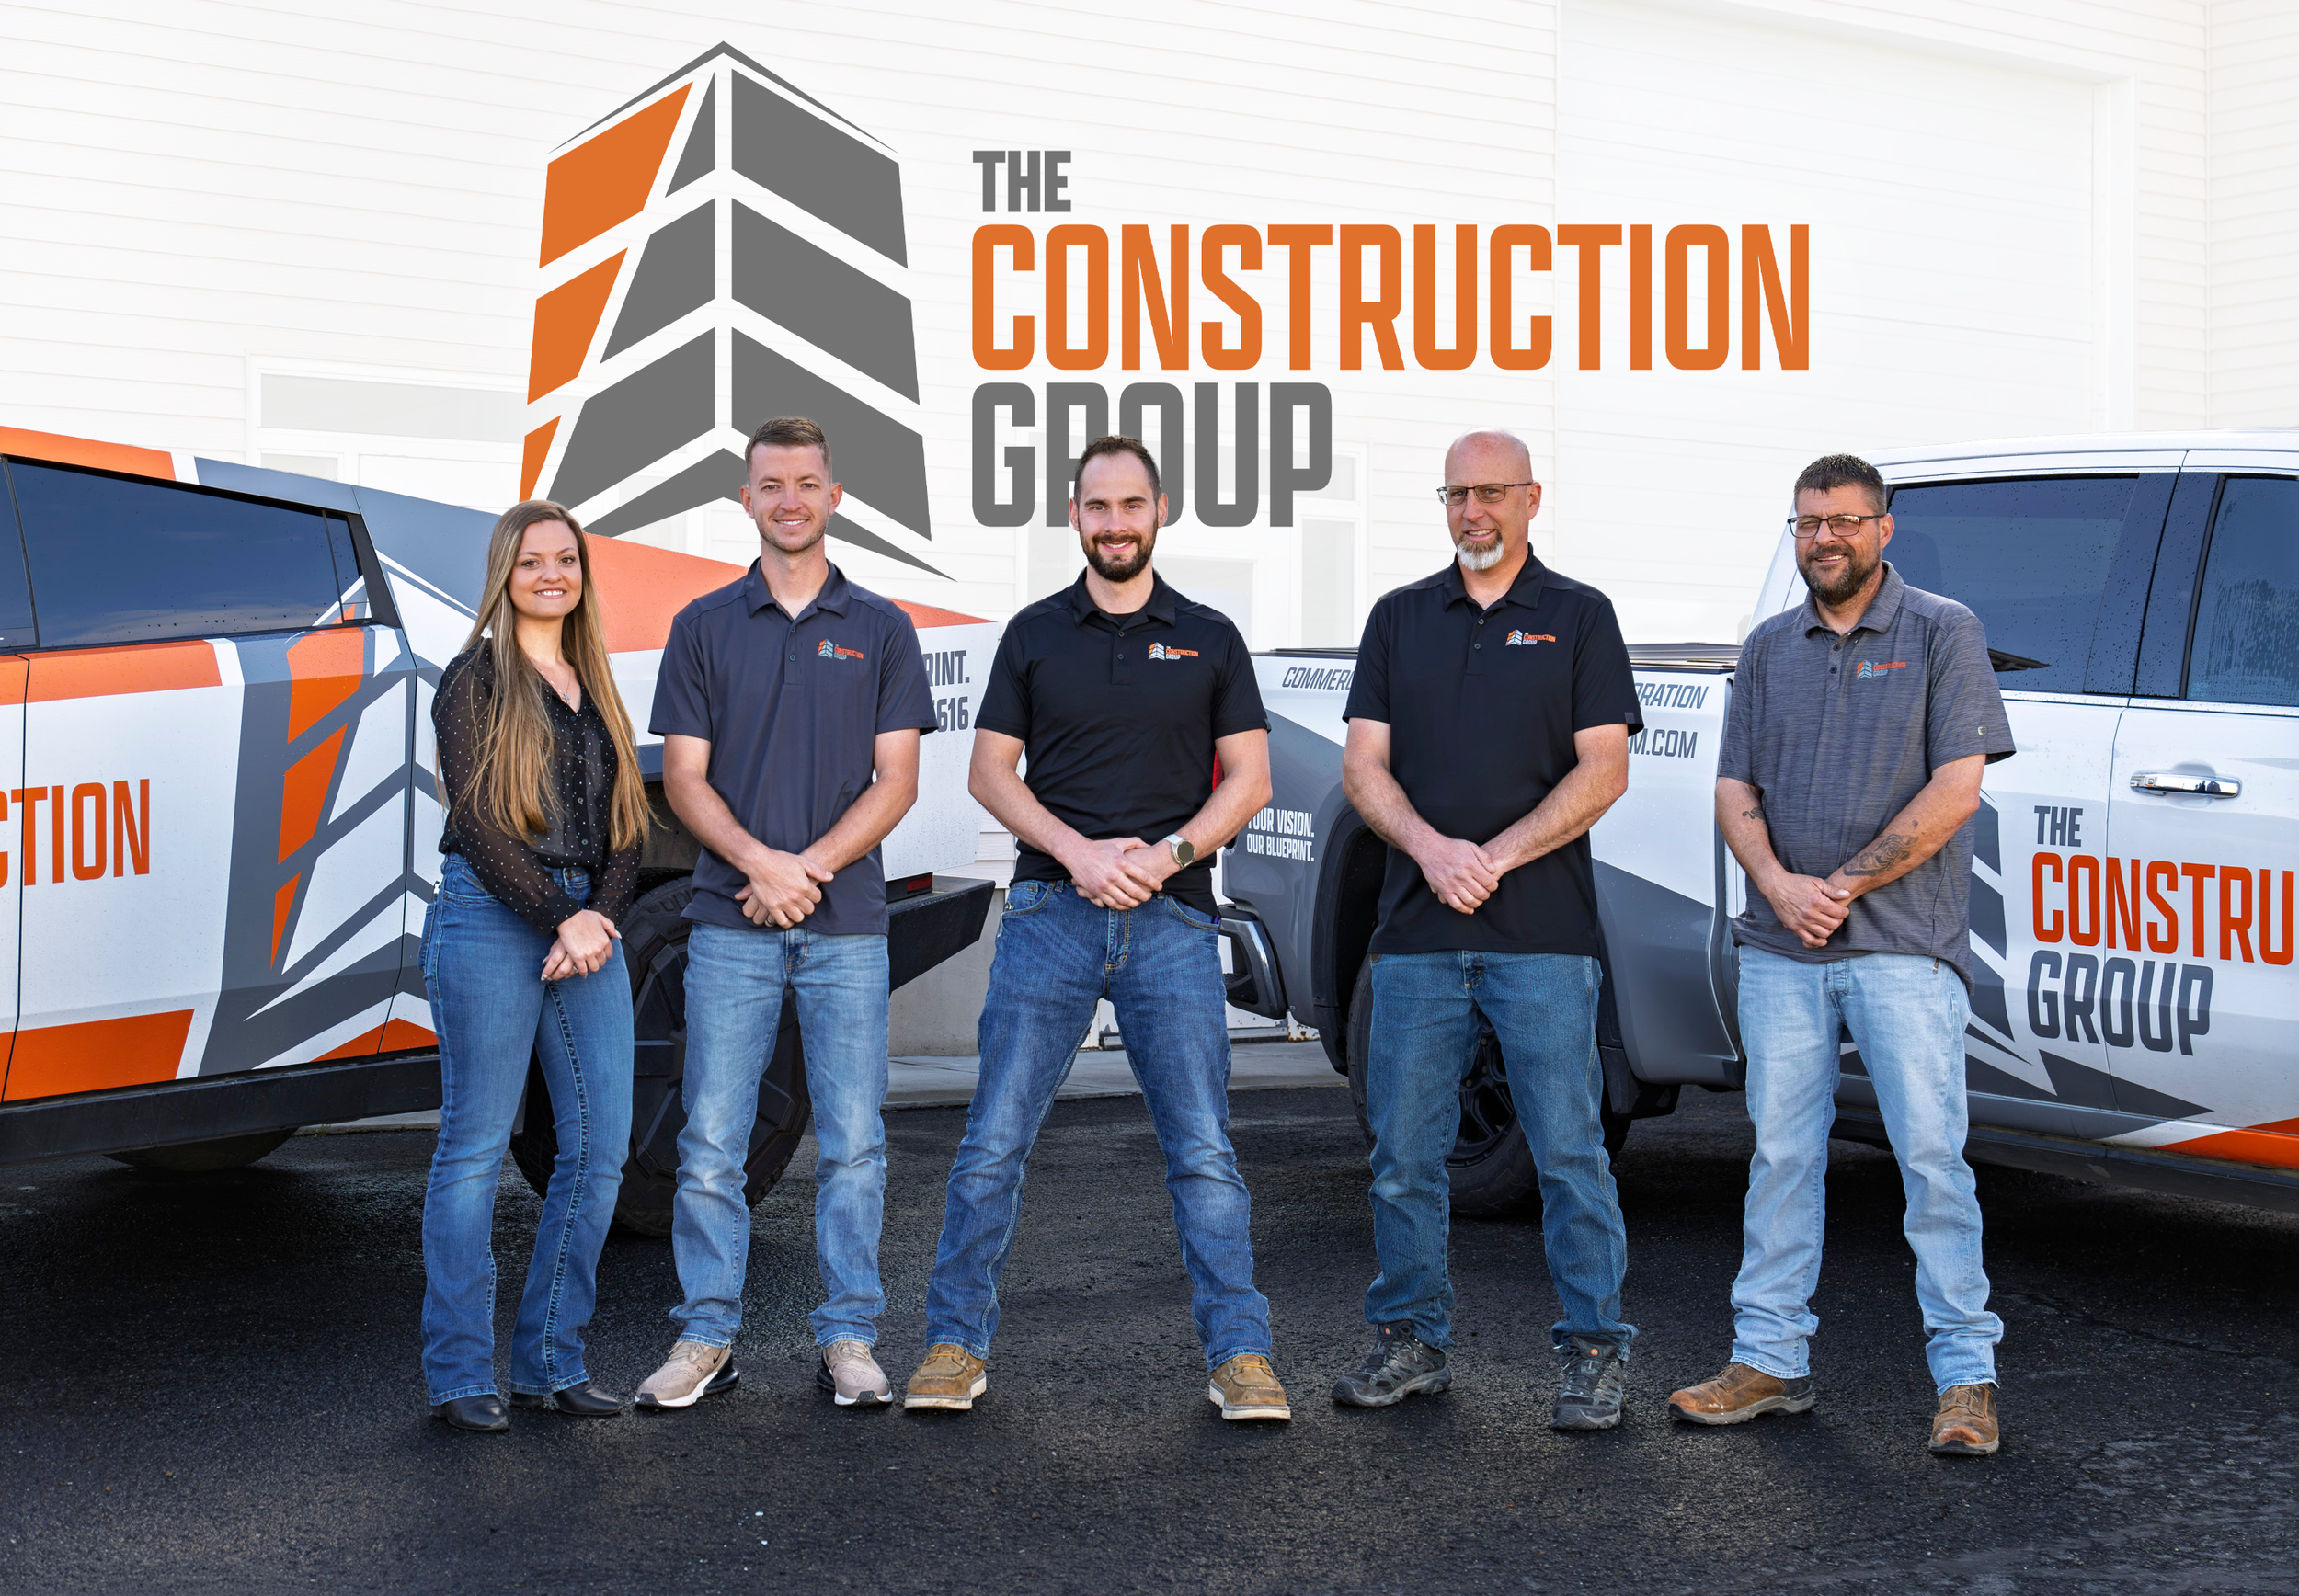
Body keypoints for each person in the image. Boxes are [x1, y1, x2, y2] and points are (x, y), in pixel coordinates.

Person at [905, 435, 1289, 1422]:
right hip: (1048, 914)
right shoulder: (1035, 632)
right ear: (1074, 515)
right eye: (1096, 507)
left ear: (1159, 510)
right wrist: (1080, 855)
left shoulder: (1209, 636)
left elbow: (1250, 780)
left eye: (1131, 505)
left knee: (1202, 1148)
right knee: (993, 1139)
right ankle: (953, 1342)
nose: (1114, 523)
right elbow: (991, 771)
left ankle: (1240, 1355)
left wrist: (1161, 857)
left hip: (1169, 917)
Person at [1668, 452, 2013, 1457]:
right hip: (1783, 946)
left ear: (1883, 529)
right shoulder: (1768, 646)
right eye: (1807, 522)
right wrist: (1781, 887)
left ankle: (1965, 1379)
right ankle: (1769, 1359)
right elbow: (1734, 791)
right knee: (1780, 1156)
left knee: (1932, 1161)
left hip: (1902, 946)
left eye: (1844, 521)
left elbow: (1957, 789)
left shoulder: (1943, 630)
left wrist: (1844, 885)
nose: (1823, 537)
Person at [1333, 428, 1641, 1431]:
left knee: (1569, 1154)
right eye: (1456, 494)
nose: (1472, 511)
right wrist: (1430, 849)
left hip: (1542, 936)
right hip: (1417, 935)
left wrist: (1491, 856)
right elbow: (1363, 766)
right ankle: (1411, 1342)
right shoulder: (1399, 618)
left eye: (1491, 492)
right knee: (1404, 1157)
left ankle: (1595, 1352)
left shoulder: (1580, 617)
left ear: (1531, 499)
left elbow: (1603, 769)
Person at [637, 416, 934, 1411]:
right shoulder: (704, 624)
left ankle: (849, 1334)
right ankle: (705, 1335)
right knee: (712, 1139)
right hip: (730, 920)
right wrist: (761, 865)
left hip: (846, 922)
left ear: (834, 496)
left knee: (853, 1140)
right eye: (772, 484)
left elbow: (898, 780)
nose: (790, 499)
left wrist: (805, 868)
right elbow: (682, 777)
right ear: (747, 500)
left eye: (807, 482)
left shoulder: (883, 626)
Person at [420, 499, 646, 1431]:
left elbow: (629, 822)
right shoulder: (472, 679)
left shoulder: (593, 682)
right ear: (503, 573)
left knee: (598, 1148)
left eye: (566, 559)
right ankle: (460, 1373)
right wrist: (566, 915)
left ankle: (554, 1358)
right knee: (473, 1149)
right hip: (489, 914)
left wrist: (598, 914)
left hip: (583, 922)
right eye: (531, 561)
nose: (551, 574)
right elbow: (477, 821)